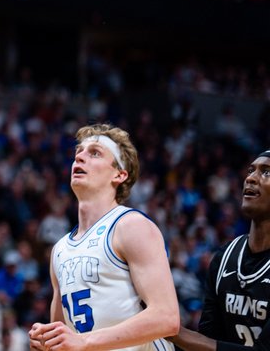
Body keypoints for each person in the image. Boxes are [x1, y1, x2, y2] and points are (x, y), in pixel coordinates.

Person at [30, 123, 179, 351]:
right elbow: (63, 337)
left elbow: (167, 318)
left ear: (119, 174)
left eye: (95, 153)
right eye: (78, 153)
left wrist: (84, 341)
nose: (80, 158)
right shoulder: (59, 250)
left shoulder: (131, 226)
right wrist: (45, 342)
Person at [170, 150, 270, 351]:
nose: (250, 178)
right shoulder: (225, 257)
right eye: (250, 170)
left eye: (266, 172)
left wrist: (175, 333)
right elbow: (208, 339)